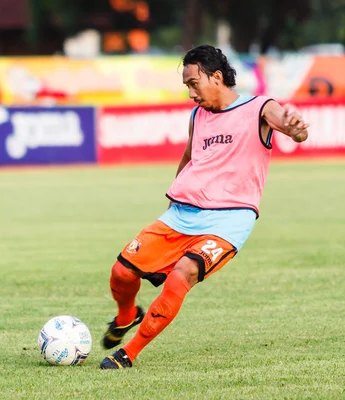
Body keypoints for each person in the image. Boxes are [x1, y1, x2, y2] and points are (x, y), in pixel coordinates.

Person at [100, 44, 309, 369]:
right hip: (181, 214)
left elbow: (289, 124)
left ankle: (128, 353)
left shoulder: (259, 107)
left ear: (216, 76)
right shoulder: (198, 116)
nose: (190, 93)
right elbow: (189, 155)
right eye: (186, 86)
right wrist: (175, 191)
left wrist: (296, 127)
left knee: (181, 276)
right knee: (121, 273)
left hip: (228, 222)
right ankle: (126, 315)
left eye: (193, 84)